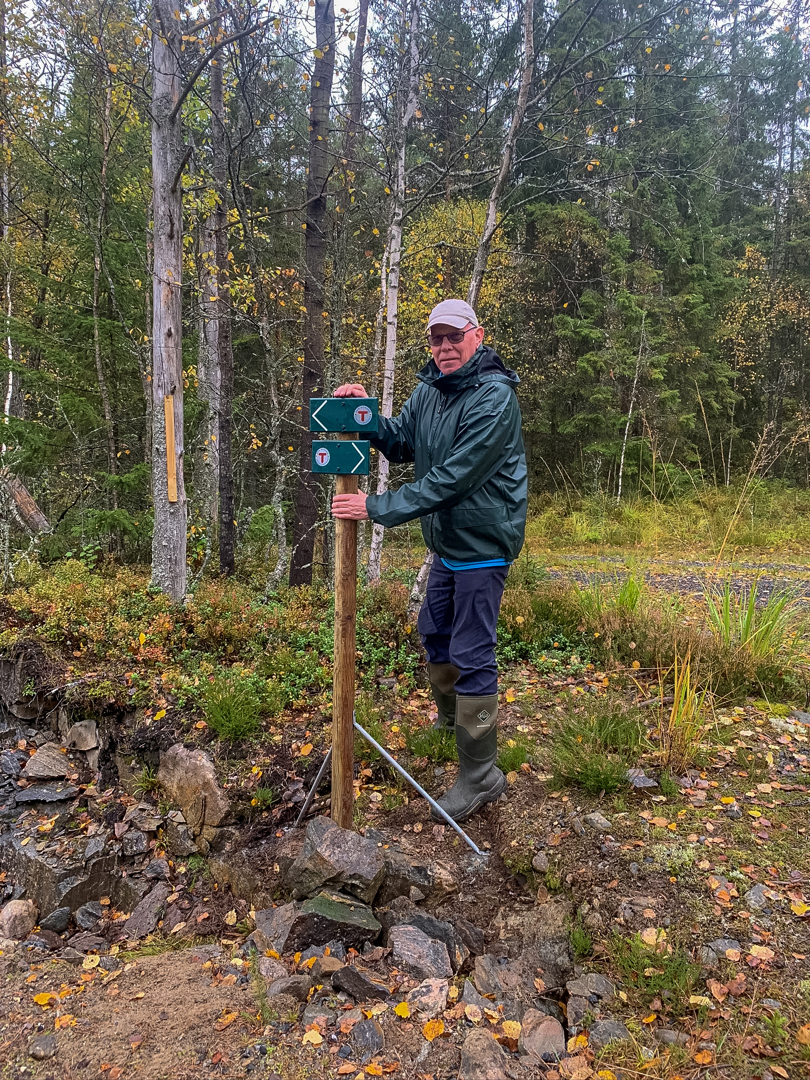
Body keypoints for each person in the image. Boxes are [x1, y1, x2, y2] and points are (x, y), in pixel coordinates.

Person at [331, 298, 528, 822]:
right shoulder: (429, 392)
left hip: (484, 546)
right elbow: (400, 443)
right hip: (447, 545)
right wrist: (366, 417)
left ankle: (480, 773)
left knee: (472, 655)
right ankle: (451, 723)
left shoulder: (494, 399)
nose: (443, 348)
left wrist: (374, 508)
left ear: (476, 336)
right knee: (435, 635)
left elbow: (453, 479)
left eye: (453, 337)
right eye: (435, 339)